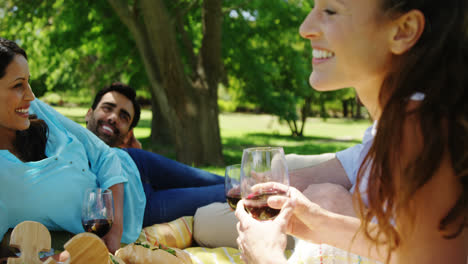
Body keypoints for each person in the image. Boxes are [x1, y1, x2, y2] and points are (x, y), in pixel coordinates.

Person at [235, 0, 468, 263]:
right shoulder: (406, 121)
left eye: (330, 11)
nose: (305, 28)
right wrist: (322, 222)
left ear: (403, 30)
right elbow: (406, 247)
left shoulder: (420, 129)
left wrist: (265, 257)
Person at [0, 38, 226, 256]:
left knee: (227, 180)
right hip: (141, 209)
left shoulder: (36, 109)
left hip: (132, 161)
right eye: (18, 85)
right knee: (230, 191)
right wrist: (118, 230)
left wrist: (115, 229)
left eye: (28, 82)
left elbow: (103, 154)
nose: (30, 95)